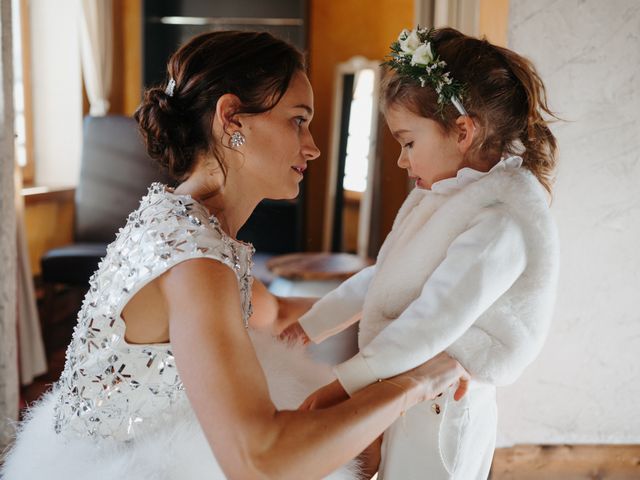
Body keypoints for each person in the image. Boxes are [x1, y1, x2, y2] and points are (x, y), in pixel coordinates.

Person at [0, 30, 469, 480]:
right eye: (298, 120)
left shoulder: (187, 221)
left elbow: (277, 313)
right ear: (231, 119)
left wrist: (421, 312)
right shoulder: (196, 261)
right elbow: (258, 463)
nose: (313, 146)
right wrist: (414, 384)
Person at [293, 27, 560, 479]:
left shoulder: (501, 221)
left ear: (462, 131)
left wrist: (343, 385)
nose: (401, 160)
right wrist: (306, 329)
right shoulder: (443, 195)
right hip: (409, 389)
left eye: (408, 142)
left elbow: (433, 321)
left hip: (447, 408)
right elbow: (385, 276)